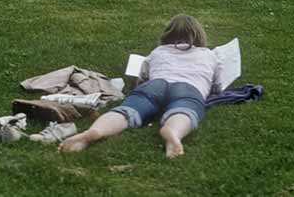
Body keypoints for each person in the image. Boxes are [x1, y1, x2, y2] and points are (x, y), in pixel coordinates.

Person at [59, 14, 222, 159]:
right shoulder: (208, 54)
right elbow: (218, 84)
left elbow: (142, 77)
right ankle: (173, 132)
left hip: (156, 84)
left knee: (126, 111)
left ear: (168, 33)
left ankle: (95, 131)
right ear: (199, 34)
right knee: (184, 111)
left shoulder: (159, 51)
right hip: (188, 88)